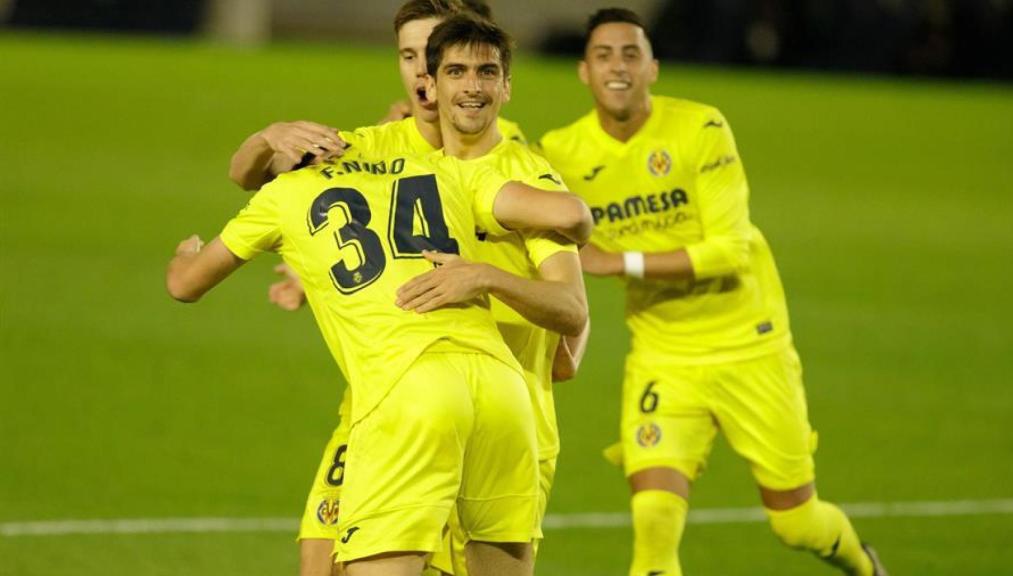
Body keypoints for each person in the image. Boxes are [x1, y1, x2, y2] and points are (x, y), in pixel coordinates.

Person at [227, 6, 589, 575]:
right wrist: (314, 267)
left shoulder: (512, 164)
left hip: (494, 411)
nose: (422, 71)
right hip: (388, 399)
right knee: (322, 563)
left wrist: (518, 306)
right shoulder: (378, 147)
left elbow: (572, 296)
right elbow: (262, 180)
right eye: (409, 56)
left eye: (435, 57)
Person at [538, 8, 886, 576]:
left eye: (631, 54)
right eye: (604, 56)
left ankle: (866, 568)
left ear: (654, 67)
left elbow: (729, 252)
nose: (618, 66)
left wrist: (615, 261)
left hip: (750, 345)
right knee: (652, 527)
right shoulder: (562, 152)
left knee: (795, 523)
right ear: (584, 72)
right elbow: (497, 163)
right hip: (664, 356)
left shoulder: (700, 129)